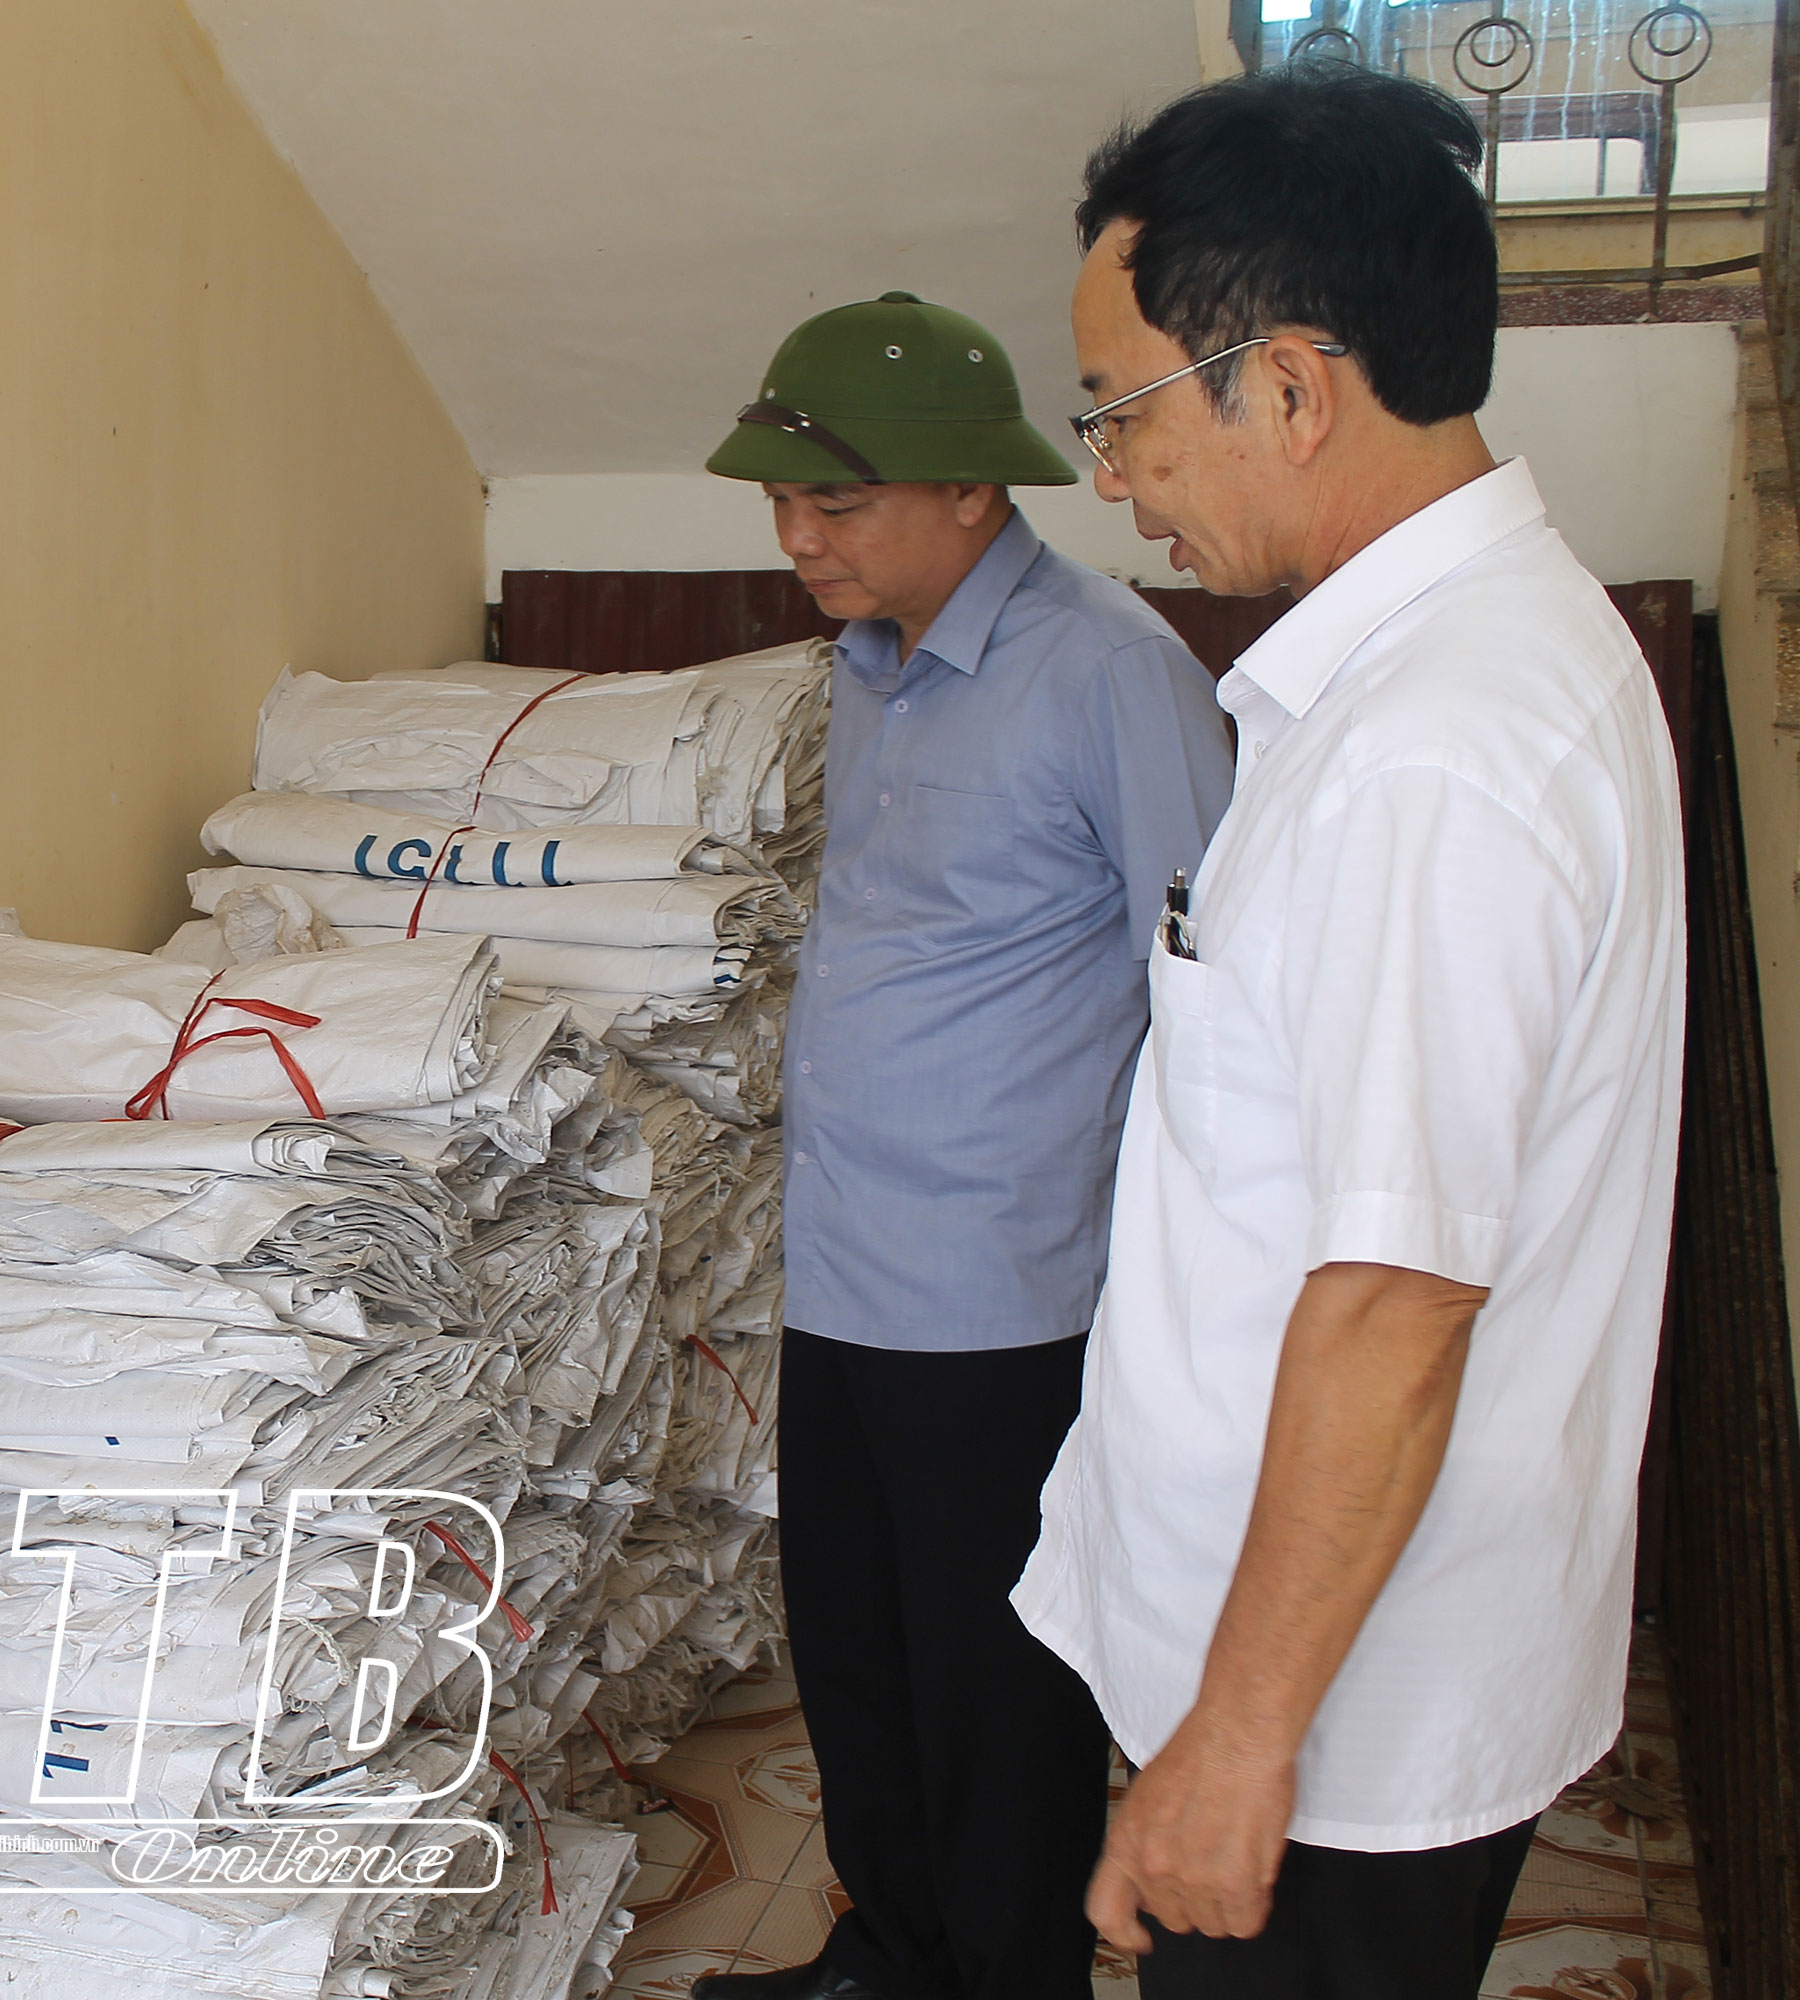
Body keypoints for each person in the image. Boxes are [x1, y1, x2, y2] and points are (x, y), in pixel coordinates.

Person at [1010, 65, 1684, 2000]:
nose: (1112, 478)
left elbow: (1398, 1301)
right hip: (1308, 1666)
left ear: (1290, 389)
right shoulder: (1453, 670)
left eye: (1125, 412)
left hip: (1329, 1732)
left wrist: (1236, 1741)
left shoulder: (1434, 759)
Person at [690, 293, 1235, 2000]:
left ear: (975, 493)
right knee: (858, 1651)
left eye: (836, 504)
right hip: (848, 1263)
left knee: (997, 1690)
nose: (799, 538)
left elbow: (1217, 1001)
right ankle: (896, 1951)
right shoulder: (875, 666)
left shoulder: (1111, 676)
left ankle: (1006, 1975)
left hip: (1006, 1297)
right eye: (782, 503)